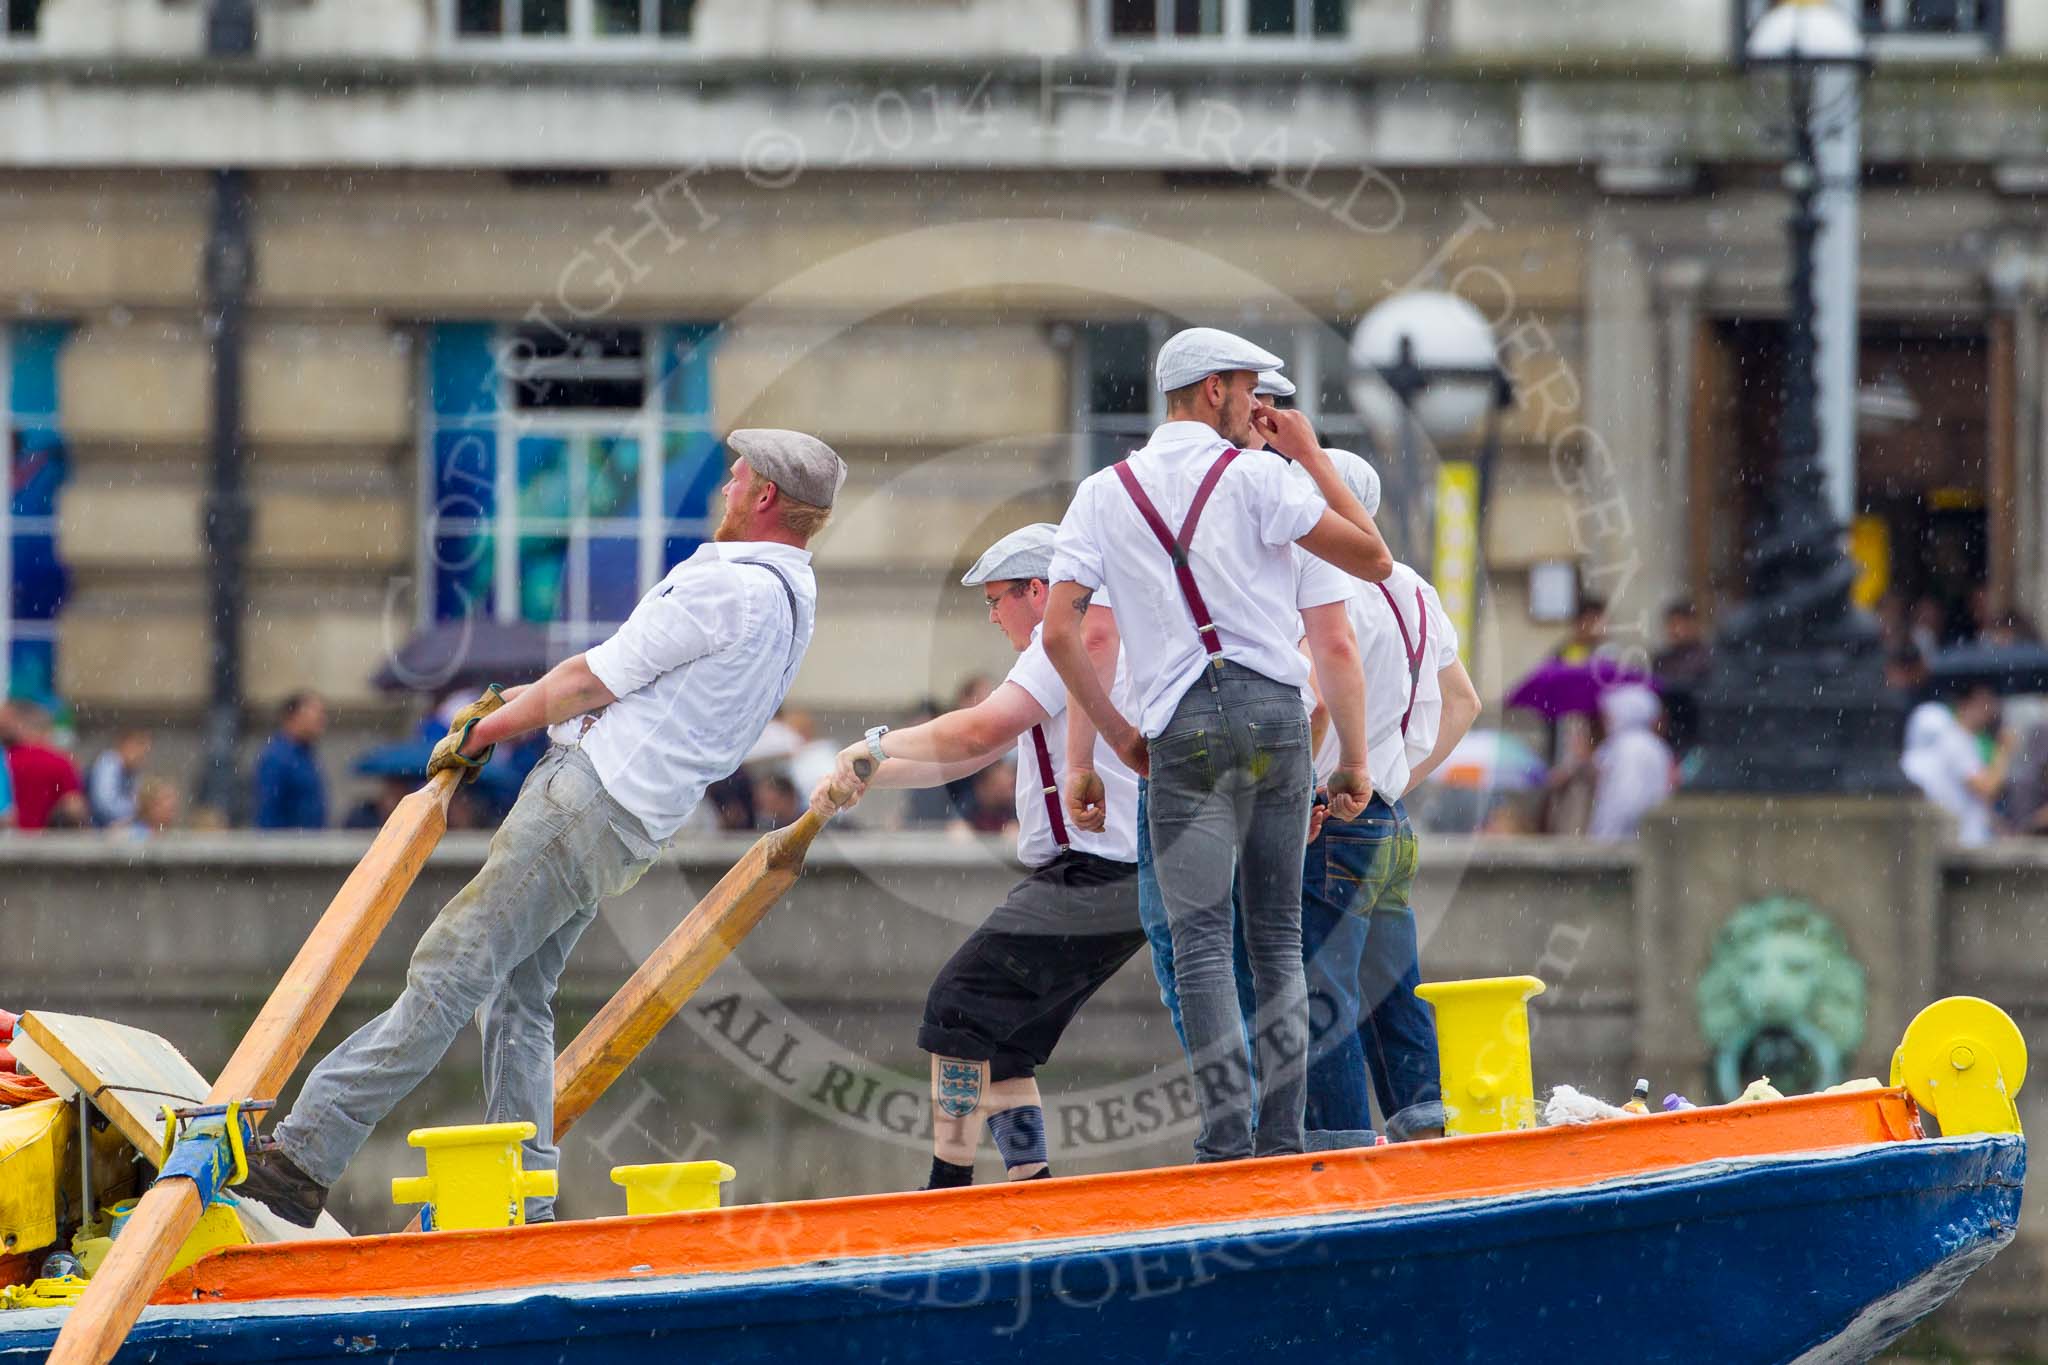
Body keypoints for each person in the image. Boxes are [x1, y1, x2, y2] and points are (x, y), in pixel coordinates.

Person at [240, 428, 845, 1227]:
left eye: (736, 480)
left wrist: (481, 731)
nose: (724, 490)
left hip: (586, 800)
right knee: (521, 996)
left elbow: (593, 676)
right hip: (629, 825)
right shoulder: (793, 598)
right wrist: (515, 712)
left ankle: (301, 1156)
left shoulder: (727, 587)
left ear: (766, 496)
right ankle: (526, 1199)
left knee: (450, 971)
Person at [1043, 326, 1392, 1163]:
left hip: (1182, 731)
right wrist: (1310, 456)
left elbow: (1062, 632)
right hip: (1275, 718)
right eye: (1252, 393)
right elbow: (1374, 559)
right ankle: (1281, 1138)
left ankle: (1225, 1140)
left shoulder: (1100, 492)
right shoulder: (1260, 479)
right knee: (1274, 938)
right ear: (1214, 391)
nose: (1263, 410)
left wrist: (1115, 738)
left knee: (1200, 940)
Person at [816, 523, 1147, 1189]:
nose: (992, 615)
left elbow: (980, 726)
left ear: (1038, 589)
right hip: (1115, 877)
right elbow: (965, 754)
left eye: (996, 598)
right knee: (1005, 1042)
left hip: (1094, 870)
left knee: (957, 1005)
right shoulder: (1070, 647)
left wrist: (874, 745)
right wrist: (869, 776)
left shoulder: (1062, 643)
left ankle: (948, 1183)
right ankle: (1031, 1178)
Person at [1296, 453, 1481, 1146]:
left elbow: (1314, 696)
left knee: (1324, 998)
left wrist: (1321, 779)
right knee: (1394, 988)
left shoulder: (1318, 586)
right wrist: (1388, 773)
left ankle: (1337, 1154)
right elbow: (1464, 701)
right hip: (1388, 819)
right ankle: (1425, 1134)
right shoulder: (1411, 590)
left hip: (1329, 815)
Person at [1902, 685, 2011, 847]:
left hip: (1963, 836)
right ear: (1965, 704)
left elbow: (1975, 802)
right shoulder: (1954, 741)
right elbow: (1987, 789)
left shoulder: (1964, 740)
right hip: (1962, 839)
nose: (1990, 711)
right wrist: (2004, 750)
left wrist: (2000, 829)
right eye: (1983, 704)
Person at [1586, 684, 1677, 840]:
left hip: (1625, 839)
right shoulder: (1652, 745)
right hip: (1645, 835)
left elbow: (1625, 799)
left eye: (1609, 715)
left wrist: (1604, 835)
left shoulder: (1629, 747)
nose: (1606, 721)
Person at [0, 700, 86, 832]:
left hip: (9, 842)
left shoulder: (7, 759)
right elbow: (74, 807)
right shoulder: (60, 762)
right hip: (46, 843)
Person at [253, 692, 330, 830]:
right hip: (288, 845)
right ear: (293, 717)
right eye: (315, 714)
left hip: (307, 842)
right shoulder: (277, 757)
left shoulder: (305, 755)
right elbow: (268, 808)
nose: (322, 720)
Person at [86, 728, 152, 828]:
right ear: (125, 744)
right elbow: (105, 804)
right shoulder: (109, 763)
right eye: (139, 745)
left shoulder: (133, 771)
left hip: (120, 826)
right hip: (96, 827)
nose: (142, 753)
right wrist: (137, 812)